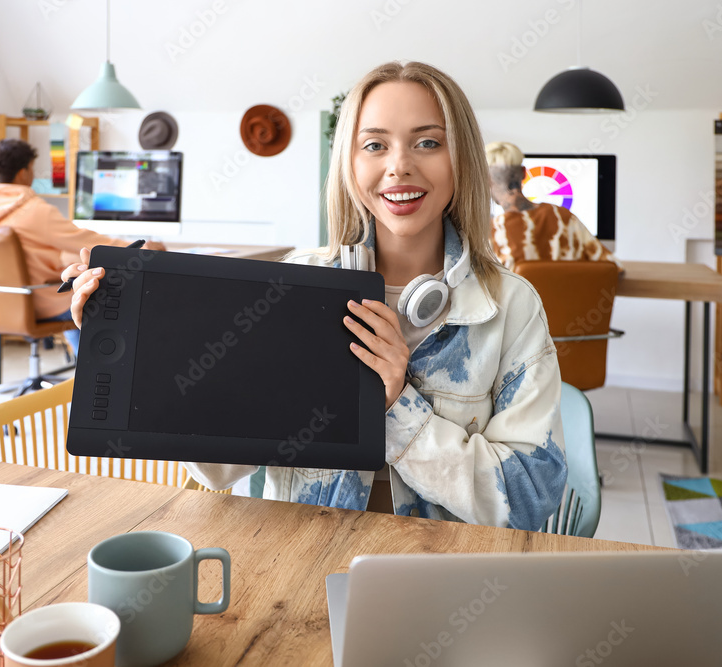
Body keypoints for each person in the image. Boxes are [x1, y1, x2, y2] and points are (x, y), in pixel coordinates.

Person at [63, 62, 567, 530]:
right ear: (349, 163)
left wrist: (394, 405)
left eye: (428, 143)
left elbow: (529, 499)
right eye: (374, 145)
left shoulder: (511, 306)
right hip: (300, 562)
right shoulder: (297, 284)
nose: (398, 167)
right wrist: (139, 337)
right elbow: (218, 467)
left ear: (461, 160)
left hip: (441, 577)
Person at [0, 138, 165, 354]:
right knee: (88, 294)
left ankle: (80, 366)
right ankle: (90, 363)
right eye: (32, 169)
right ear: (23, 172)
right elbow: (86, 241)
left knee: (73, 281)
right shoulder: (34, 211)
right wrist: (140, 248)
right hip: (37, 302)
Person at [486, 142, 620, 271]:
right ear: (524, 172)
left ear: (485, 179)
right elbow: (612, 266)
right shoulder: (564, 217)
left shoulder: (492, 232)